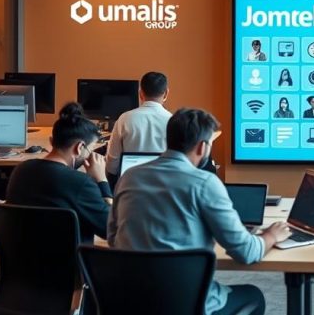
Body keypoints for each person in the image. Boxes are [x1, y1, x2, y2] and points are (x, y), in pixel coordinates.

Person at [109, 108, 291, 315]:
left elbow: (113, 238)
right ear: (202, 147)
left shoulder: (129, 177)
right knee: (253, 295)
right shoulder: (204, 183)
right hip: (187, 304)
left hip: (131, 302)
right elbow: (247, 252)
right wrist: (270, 235)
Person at [5, 103, 112, 242]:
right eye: (90, 150)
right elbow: (112, 230)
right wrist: (102, 180)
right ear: (80, 147)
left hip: (19, 261)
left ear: (51, 141)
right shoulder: (80, 183)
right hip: (69, 263)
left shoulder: (20, 170)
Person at [107, 71, 171, 178]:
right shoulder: (173, 121)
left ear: (140, 93)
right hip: (163, 183)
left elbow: (112, 166)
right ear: (166, 93)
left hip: (129, 183)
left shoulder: (125, 119)